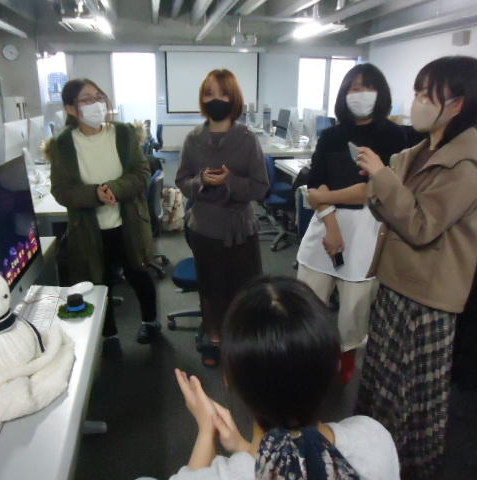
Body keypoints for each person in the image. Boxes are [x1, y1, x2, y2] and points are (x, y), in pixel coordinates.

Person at [355, 56, 477, 479]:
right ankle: (375, 458)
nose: (416, 102)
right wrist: (383, 181)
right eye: (416, 92)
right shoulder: (419, 152)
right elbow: (386, 206)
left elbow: (419, 225)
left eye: (426, 95)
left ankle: (409, 468)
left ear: (456, 104)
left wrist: (382, 177)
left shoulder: (465, 168)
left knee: (411, 397)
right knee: (382, 383)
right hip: (397, 283)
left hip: (426, 299)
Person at [170, 276, 400, 480]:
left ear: (229, 379)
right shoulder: (374, 440)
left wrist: (207, 431)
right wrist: (242, 446)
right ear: (334, 367)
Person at [296, 63, 407, 383]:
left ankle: (344, 362)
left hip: (367, 232)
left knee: (354, 309)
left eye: (367, 87)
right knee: (307, 301)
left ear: (380, 93)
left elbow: (374, 191)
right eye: (354, 88)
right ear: (344, 94)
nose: (360, 94)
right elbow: (315, 184)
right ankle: (309, 358)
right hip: (325, 226)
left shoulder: (394, 136)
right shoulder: (331, 135)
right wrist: (332, 226)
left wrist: (327, 196)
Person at [46, 78, 160, 344]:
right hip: (90, 230)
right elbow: (61, 191)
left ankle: (150, 321)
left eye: (98, 97)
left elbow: (142, 173)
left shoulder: (123, 134)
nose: (96, 104)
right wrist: (95, 194)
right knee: (98, 283)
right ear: (71, 109)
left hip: (128, 222)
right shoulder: (63, 144)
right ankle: (108, 334)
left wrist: (114, 189)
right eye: (86, 100)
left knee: (139, 274)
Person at [175, 69, 269, 367]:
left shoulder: (247, 139)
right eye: (209, 93)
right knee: (211, 289)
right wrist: (201, 181)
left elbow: (261, 187)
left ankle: (242, 345)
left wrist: (231, 181)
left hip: (241, 228)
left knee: (244, 291)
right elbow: (181, 181)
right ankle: (213, 339)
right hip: (205, 227)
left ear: (234, 98)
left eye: (223, 93)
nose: (215, 99)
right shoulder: (193, 139)